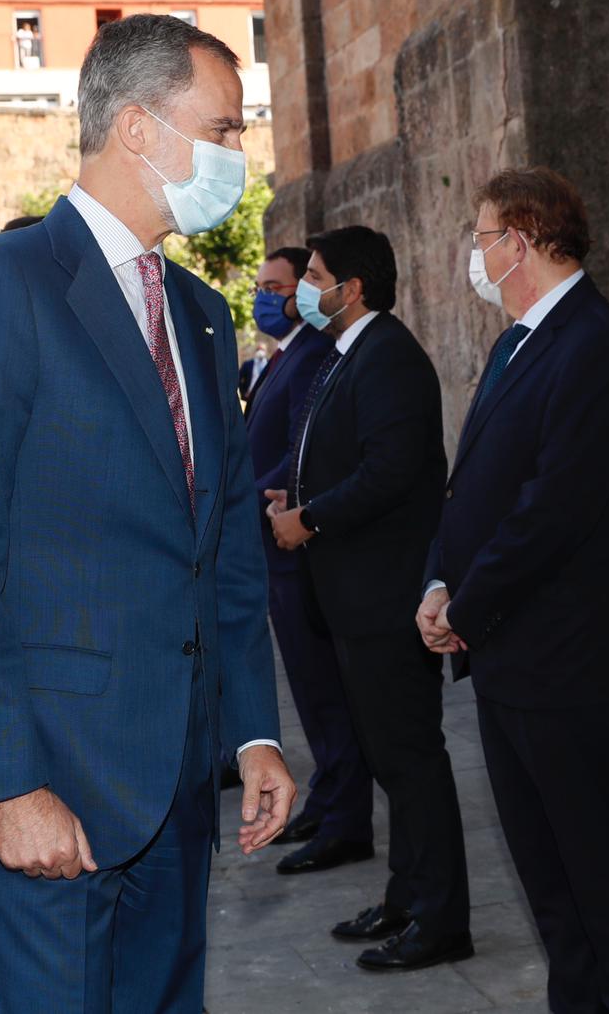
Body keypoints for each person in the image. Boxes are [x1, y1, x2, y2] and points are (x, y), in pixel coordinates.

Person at [0, 14, 293, 1011]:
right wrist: (2, 784)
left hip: (179, 793)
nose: (237, 154)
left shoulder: (200, 314)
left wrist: (253, 733)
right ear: (135, 128)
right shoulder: (3, 285)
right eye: (224, 128)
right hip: (52, 793)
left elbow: (223, 552)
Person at [417, 167, 609, 1013]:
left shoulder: (597, 342)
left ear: (518, 242)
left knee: (602, 877)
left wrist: (466, 605)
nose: (476, 252)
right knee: (550, 882)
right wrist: (442, 579)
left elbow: (554, 508)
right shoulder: (516, 340)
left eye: (482, 234)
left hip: (567, 657)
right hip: (508, 653)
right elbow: (476, 487)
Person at [266, 226, 472, 971]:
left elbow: (390, 470)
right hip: (353, 596)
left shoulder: (389, 356)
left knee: (412, 759)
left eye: (314, 275)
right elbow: (344, 453)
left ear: (351, 288)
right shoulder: (348, 354)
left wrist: (309, 517)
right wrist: (295, 495)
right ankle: (407, 895)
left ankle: (442, 917)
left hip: (386, 598)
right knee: (390, 760)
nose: (304, 289)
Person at [245, 246, 374, 874]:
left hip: (294, 543)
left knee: (324, 688)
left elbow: (297, 453)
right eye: (262, 285)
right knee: (308, 686)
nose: (266, 296)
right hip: (277, 541)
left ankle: (346, 816)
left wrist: (251, 500)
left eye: (279, 285)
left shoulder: (313, 354)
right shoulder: (283, 354)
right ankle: (330, 799)